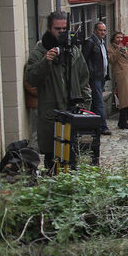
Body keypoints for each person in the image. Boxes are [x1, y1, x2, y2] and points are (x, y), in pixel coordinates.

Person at [24, 11, 90, 170]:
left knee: (73, 159)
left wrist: (85, 107)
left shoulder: (73, 51)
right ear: (49, 28)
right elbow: (31, 79)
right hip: (51, 115)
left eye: (64, 28)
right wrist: (45, 61)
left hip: (73, 113)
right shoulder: (39, 53)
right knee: (53, 162)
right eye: (57, 29)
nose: (61, 32)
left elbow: (84, 80)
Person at [81, 21, 112, 135]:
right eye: (100, 30)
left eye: (104, 30)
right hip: (94, 78)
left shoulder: (102, 43)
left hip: (101, 77)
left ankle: (94, 126)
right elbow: (83, 60)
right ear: (95, 31)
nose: (103, 32)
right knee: (99, 102)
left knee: (96, 103)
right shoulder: (90, 42)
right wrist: (87, 77)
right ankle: (103, 126)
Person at [107, 31, 128, 130]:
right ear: (113, 39)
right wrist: (118, 51)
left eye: (121, 37)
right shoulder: (111, 49)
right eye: (118, 37)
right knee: (124, 98)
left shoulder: (125, 47)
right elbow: (111, 60)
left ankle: (123, 120)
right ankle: (123, 121)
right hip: (120, 74)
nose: (120, 39)